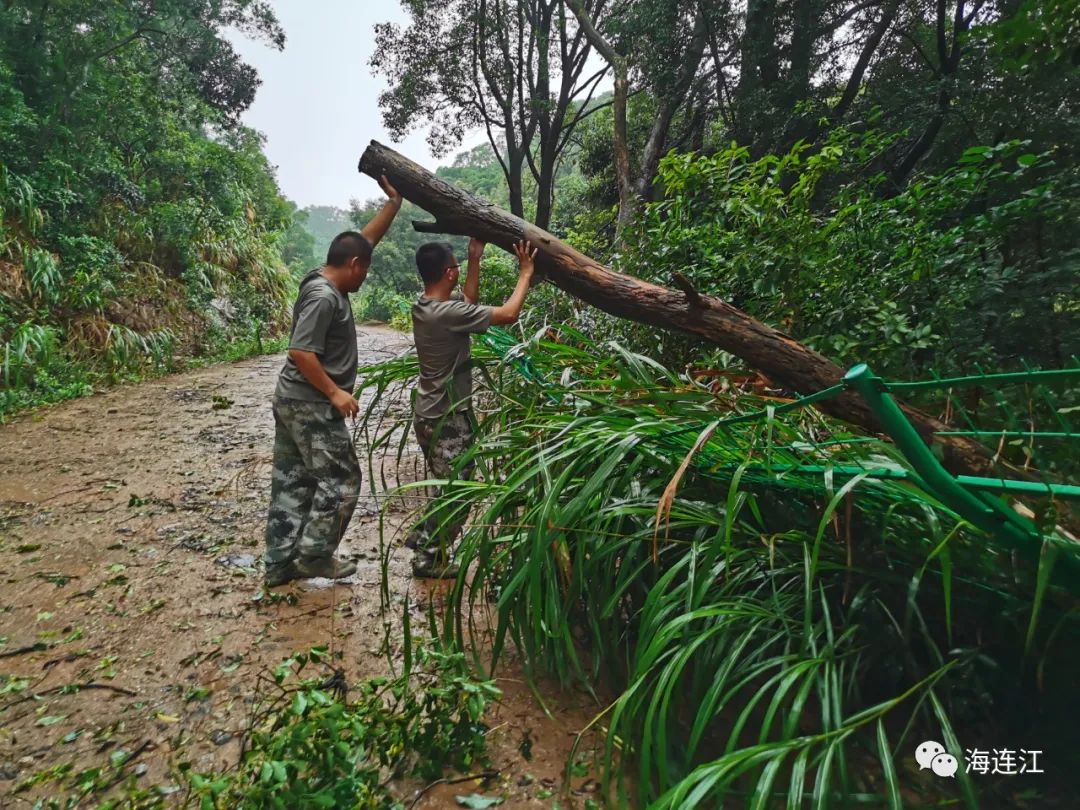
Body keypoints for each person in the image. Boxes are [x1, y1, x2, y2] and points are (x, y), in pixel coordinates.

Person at [262, 175, 402, 587]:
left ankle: (279, 564)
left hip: (290, 400)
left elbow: (362, 242)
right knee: (343, 479)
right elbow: (301, 351)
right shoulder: (325, 298)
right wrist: (335, 392)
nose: (365, 279)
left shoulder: (320, 276)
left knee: (293, 481)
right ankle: (316, 555)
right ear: (353, 266)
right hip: (310, 403)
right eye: (365, 270)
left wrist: (392, 204)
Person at [407, 237, 537, 577]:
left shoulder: (425, 306)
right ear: (449, 273)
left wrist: (474, 259)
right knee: (459, 490)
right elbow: (509, 314)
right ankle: (428, 554)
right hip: (446, 417)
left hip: (430, 412)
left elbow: (469, 302)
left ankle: (424, 541)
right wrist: (525, 272)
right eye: (458, 267)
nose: (460, 271)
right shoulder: (447, 313)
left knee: (447, 485)